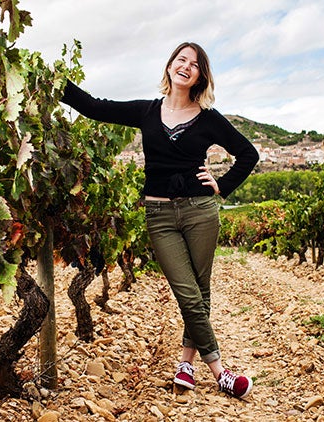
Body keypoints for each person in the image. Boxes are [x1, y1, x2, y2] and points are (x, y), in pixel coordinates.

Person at [61, 41, 259, 399]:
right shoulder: (147, 112)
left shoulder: (209, 118)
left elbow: (248, 153)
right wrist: (52, 84)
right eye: (181, 59)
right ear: (170, 66)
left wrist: (222, 185)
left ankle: (186, 364)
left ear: (200, 76)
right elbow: (93, 108)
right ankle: (221, 372)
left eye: (194, 64)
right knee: (186, 291)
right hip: (160, 216)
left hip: (201, 211)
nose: (186, 66)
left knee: (199, 291)